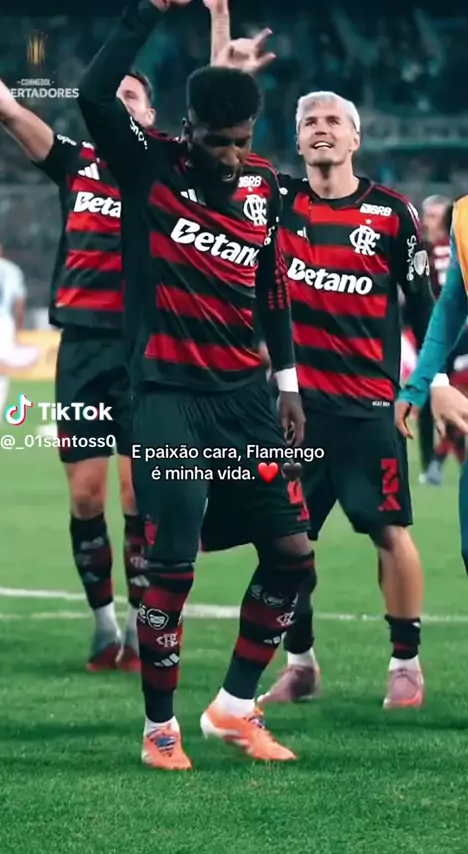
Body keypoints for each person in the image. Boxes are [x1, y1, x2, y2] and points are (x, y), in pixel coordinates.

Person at [78, 0, 315, 771]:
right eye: (219, 141)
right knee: (172, 562)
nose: (232, 155)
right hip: (167, 398)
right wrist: (146, 12)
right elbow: (91, 93)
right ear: (191, 130)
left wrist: (287, 384)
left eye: (242, 141)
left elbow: (271, 289)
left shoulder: (265, 187)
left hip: (246, 399)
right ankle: (160, 729)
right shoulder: (150, 164)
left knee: (292, 555)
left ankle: (233, 708)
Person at [205, 2, 434, 710]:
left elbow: (424, 312)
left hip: (368, 408)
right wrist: (227, 63)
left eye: (334, 119)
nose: (322, 128)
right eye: (309, 121)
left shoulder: (393, 214)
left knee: (389, 530)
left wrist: (426, 388)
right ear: (297, 139)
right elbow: (211, 148)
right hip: (292, 411)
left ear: (355, 136)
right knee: (285, 541)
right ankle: (300, 662)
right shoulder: (275, 202)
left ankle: (406, 665)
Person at [0, 67, 155, 672]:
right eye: (112, 94)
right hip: (82, 351)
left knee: (138, 493)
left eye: (132, 96)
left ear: (151, 116)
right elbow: (6, 108)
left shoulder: (164, 169)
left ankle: (140, 628)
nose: (120, 102)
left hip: (142, 351)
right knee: (86, 495)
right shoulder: (75, 162)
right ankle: (104, 625)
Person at [396, 195, 468, 578]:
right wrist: (420, 384)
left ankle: (436, 464)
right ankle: (436, 464)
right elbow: (450, 307)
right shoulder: (464, 219)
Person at [418, 196, 453, 484]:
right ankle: (431, 461)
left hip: (455, 335)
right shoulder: (420, 249)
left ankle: (435, 462)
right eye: (426, 215)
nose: (428, 221)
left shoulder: (456, 248)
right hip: (432, 335)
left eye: (434, 216)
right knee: (430, 398)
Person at [0, 238, 33, 425]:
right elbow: (19, 302)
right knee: (1, 369)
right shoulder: (11, 269)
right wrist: (18, 327)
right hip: (3, 323)